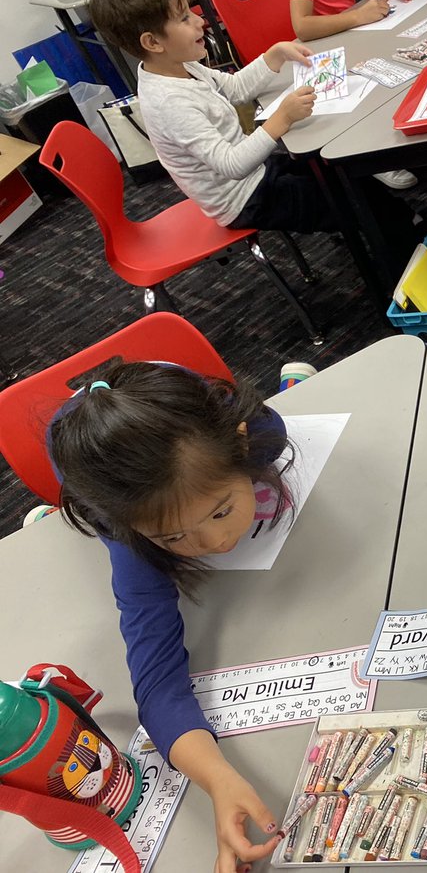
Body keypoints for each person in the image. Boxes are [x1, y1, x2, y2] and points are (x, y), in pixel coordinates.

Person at [49, 363, 293, 873]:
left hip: (174, 401)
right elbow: (157, 685)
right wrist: (219, 780)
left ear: (241, 446)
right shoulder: (127, 526)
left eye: (221, 511)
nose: (213, 545)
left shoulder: (262, 433)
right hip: (81, 451)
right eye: (173, 538)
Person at [88, 0, 418, 246]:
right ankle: (411, 245)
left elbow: (234, 89)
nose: (200, 23)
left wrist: (273, 56)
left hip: (258, 172)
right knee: (354, 201)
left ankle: (379, 228)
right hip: (244, 198)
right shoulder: (169, 101)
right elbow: (232, 166)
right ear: (153, 42)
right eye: (185, 19)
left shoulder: (179, 66)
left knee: (343, 176)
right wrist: (281, 120)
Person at [287, 0, 419, 189]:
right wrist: (358, 17)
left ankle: (399, 132)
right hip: (326, 48)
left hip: (352, 32)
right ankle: (370, 155)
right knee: (369, 89)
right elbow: (302, 27)